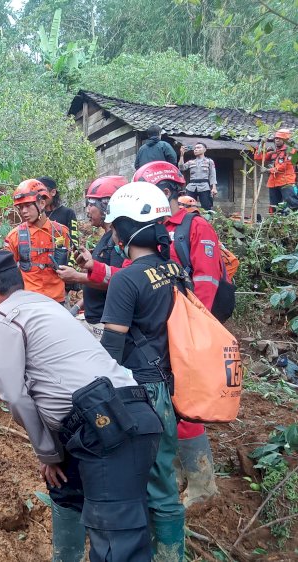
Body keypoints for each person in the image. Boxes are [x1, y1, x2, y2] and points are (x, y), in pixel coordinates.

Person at [0, 250, 162, 562]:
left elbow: (13, 394)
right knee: (85, 503)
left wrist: (47, 452)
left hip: (102, 427)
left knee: (117, 547)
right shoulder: (45, 305)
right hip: (133, 411)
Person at [100, 181, 186, 560]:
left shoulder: (126, 279)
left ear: (124, 228)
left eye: (113, 226)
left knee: (145, 486)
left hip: (140, 393)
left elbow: (112, 350)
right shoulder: (174, 270)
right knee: (162, 480)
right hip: (169, 387)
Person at [134, 161, 223, 508]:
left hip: (190, 334)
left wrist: (190, 331)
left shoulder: (195, 228)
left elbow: (207, 282)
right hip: (164, 333)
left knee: (187, 404)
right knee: (170, 403)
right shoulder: (153, 230)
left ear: (166, 192)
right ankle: (179, 476)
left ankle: (203, 486)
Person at [56, 176, 127, 340]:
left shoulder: (117, 241)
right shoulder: (106, 237)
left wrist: (76, 276)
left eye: (91, 204)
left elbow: (116, 280)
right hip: (94, 317)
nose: (87, 210)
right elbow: (100, 275)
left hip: (105, 321)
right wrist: (78, 307)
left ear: (106, 205)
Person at [4, 179, 70, 304]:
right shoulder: (15, 236)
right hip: (29, 302)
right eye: (20, 207)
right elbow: (9, 272)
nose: (23, 211)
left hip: (57, 300)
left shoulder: (61, 232)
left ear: (42, 203)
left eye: (28, 206)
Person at [254, 128, 298, 213]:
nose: (277, 140)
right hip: (273, 182)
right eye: (276, 138)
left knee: (293, 203)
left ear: (285, 140)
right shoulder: (274, 152)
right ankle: (277, 224)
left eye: (279, 138)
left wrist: (268, 170)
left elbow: (284, 165)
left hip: (286, 182)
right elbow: (258, 157)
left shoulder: (291, 151)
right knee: (274, 206)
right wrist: (261, 144)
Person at [178, 142, 217, 211]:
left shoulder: (209, 161)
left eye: (198, 148)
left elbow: (212, 175)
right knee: (189, 207)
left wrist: (214, 187)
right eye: (195, 148)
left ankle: (206, 221)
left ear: (205, 149)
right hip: (191, 187)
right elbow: (181, 168)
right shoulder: (191, 162)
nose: (196, 149)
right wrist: (182, 155)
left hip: (204, 187)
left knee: (206, 207)